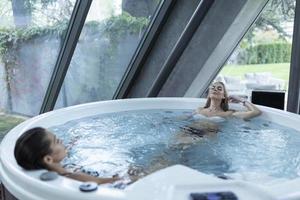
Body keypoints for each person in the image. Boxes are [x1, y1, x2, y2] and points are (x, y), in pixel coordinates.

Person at [14, 127, 120, 185]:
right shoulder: (75, 177)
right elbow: (106, 182)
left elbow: (63, 151)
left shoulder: (59, 167)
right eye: (56, 141)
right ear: (48, 159)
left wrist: (73, 142)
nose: (61, 140)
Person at [175, 81, 261, 145]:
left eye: (219, 89)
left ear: (224, 96)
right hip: (188, 130)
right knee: (172, 148)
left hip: (206, 136)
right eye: (213, 88)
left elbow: (256, 112)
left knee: (183, 147)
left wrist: (240, 99)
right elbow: (182, 119)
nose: (215, 89)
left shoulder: (228, 113)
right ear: (209, 94)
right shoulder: (199, 110)